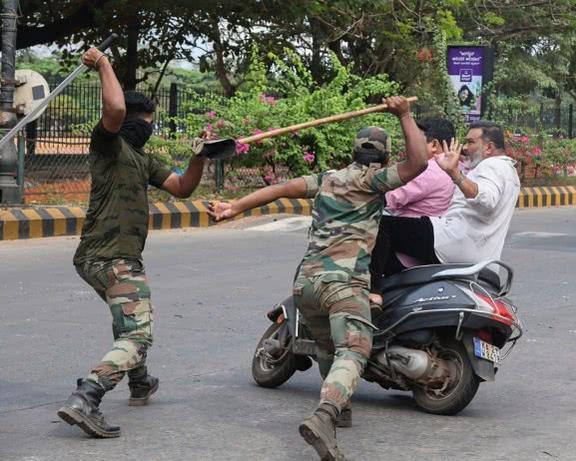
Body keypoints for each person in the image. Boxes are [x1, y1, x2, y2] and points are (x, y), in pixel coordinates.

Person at [209, 96, 454, 460]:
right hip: (343, 285)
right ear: (384, 158)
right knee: (354, 350)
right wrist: (404, 114)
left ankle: (341, 406)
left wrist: (234, 207)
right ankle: (325, 415)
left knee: (327, 347)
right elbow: (419, 162)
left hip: (305, 285)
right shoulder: (375, 182)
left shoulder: (327, 179)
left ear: (354, 152)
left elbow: (280, 189)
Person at [57, 47, 207, 438]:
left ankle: (140, 382)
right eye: (144, 120)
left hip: (101, 258)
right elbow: (116, 113)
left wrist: (200, 157)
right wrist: (104, 65)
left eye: (149, 122)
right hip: (113, 258)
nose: (145, 127)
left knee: (126, 316)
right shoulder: (108, 146)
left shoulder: (142, 159)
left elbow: (183, 188)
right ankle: (87, 396)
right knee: (137, 334)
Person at [371, 120, 520, 285]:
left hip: (455, 241)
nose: (465, 147)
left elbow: (486, 199)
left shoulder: (491, 166)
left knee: (380, 226)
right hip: (473, 248)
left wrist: (454, 173)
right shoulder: (507, 171)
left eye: (471, 142)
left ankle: (374, 292)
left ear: (489, 147)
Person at [370, 118, 455, 292]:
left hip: (407, 255)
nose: (408, 146)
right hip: (429, 245)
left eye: (414, 140)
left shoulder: (428, 169)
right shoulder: (453, 167)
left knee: (374, 229)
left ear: (434, 145)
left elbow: (389, 197)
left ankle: (373, 293)